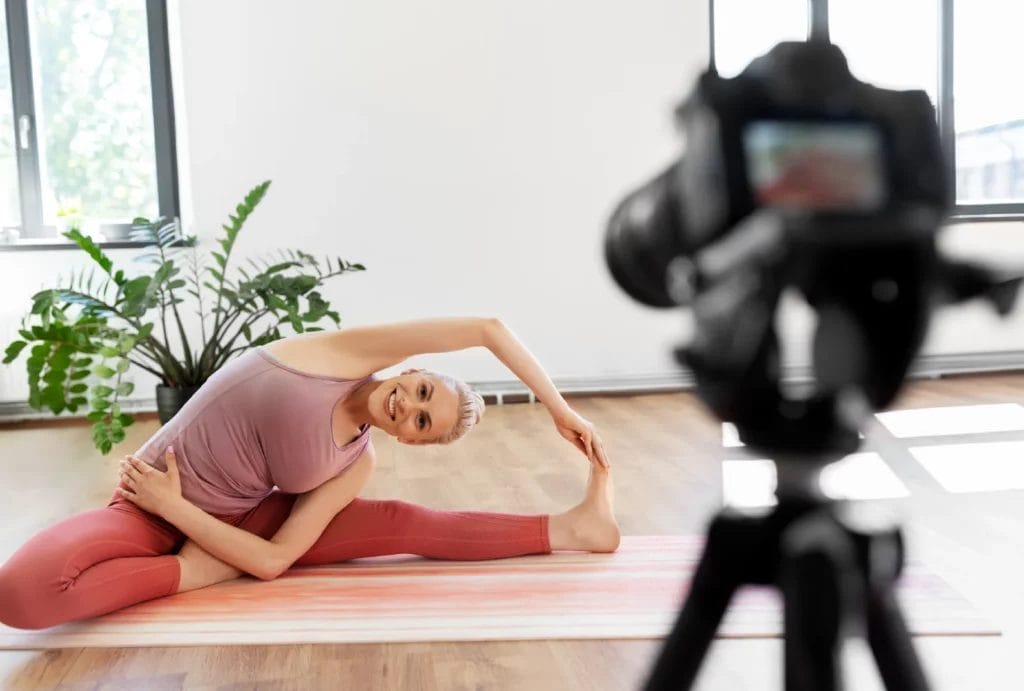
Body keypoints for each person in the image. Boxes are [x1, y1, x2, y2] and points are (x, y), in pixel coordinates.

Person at [0, 317, 619, 630]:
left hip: (215, 520)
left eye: (422, 422)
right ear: (412, 371)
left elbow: (273, 561)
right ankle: (198, 568)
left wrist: (188, 527)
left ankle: (575, 528)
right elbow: (487, 328)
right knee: (21, 592)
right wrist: (559, 409)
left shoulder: (356, 462)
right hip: (145, 505)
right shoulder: (337, 356)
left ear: (411, 440)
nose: (410, 406)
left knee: (403, 521)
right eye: (423, 391)